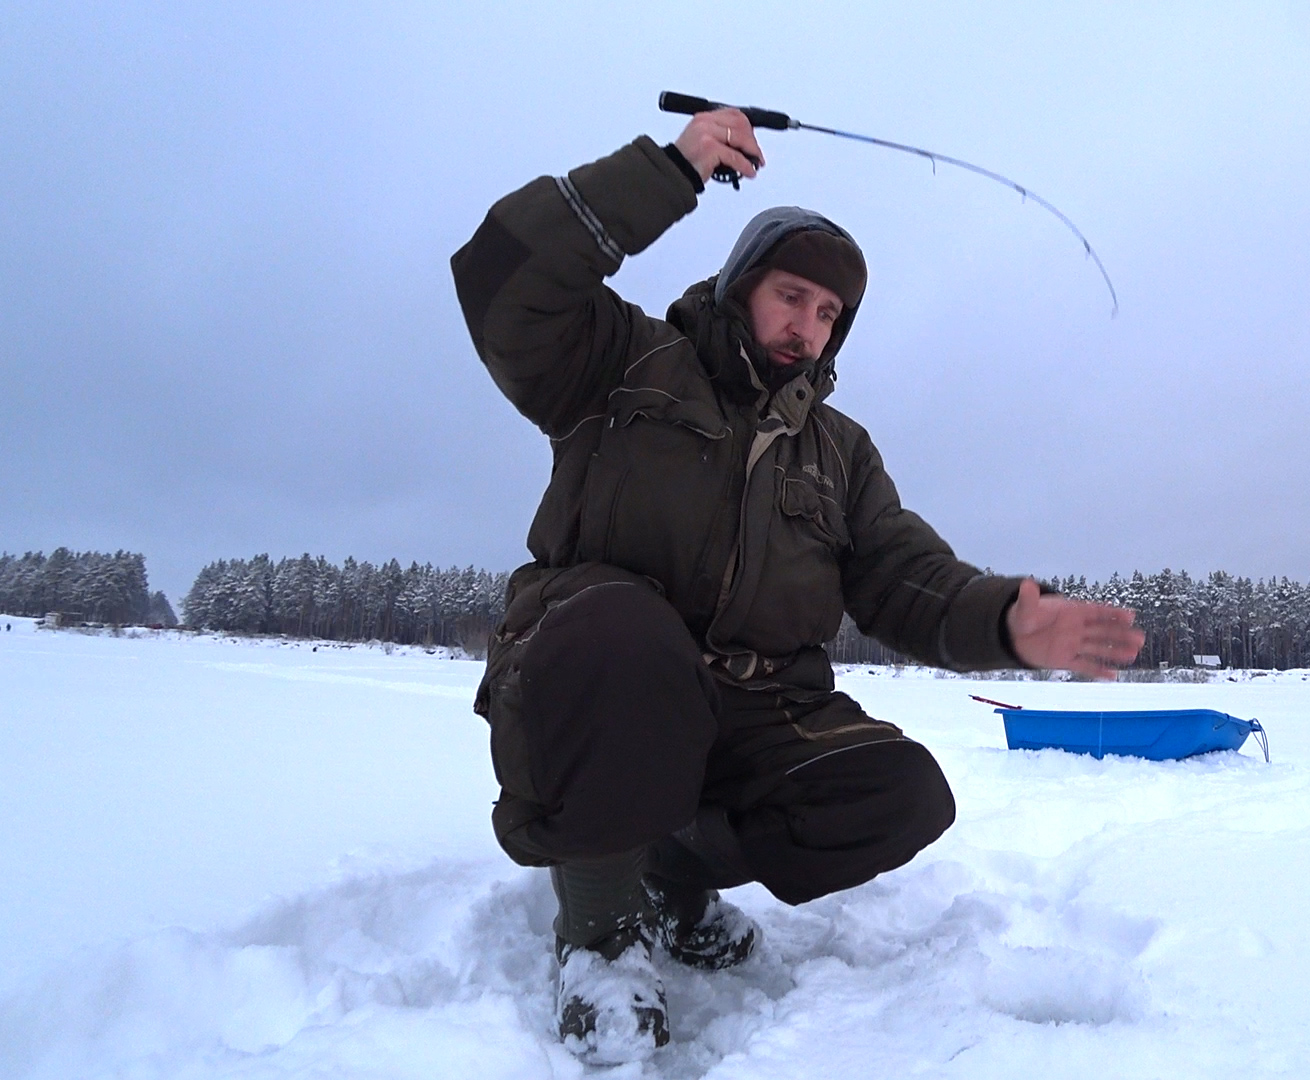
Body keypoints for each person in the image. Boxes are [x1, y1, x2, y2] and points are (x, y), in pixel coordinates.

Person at [450, 108, 1144, 1064]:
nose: (807, 327)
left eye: (829, 314)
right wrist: (667, 171)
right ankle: (602, 936)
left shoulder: (839, 452)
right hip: (592, 679)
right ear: (741, 287)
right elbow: (502, 279)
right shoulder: (621, 363)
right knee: (624, 629)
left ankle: (668, 874)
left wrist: (1008, 622)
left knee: (898, 793)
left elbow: (906, 576)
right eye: (791, 296)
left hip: (747, 710)